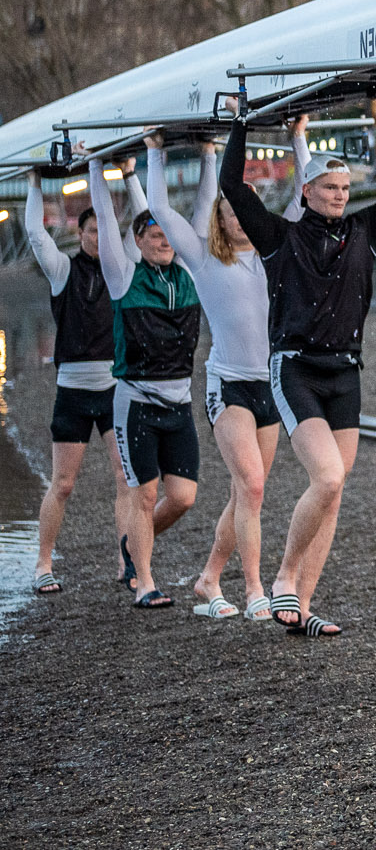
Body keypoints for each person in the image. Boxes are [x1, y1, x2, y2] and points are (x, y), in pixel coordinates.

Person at [220, 93, 376, 637]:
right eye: (328, 188)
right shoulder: (279, 237)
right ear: (307, 191)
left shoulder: (364, 230)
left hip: (345, 373)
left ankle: (303, 606)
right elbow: (234, 189)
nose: (338, 196)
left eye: (344, 189)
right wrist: (240, 122)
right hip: (295, 369)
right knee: (329, 477)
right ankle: (285, 580)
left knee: (333, 494)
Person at [141, 120, 310, 622]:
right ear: (219, 216)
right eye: (231, 211)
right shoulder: (202, 256)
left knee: (246, 491)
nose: (240, 219)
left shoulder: (276, 251)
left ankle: (208, 578)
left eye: (246, 211)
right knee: (253, 486)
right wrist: (155, 153)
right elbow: (162, 211)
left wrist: (298, 135)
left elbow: (304, 194)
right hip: (229, 385)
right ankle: (255, 588)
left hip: (271, 385)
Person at [88, 157, 204, 609]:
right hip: (136, 401)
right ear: (136, 241)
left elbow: (158, 213)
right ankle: (144, 581)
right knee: (144, 493)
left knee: (183, 498)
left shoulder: (188, 274)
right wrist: (99, 168)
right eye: (154, 235)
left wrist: (206, 155)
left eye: (167, 234)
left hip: (180, 404)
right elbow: (106, 214)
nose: (164, 241)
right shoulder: (123, 276)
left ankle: (133, 546)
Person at [22, 170, 130, 594]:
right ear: (81, 233)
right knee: (63, 483)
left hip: (114, 389)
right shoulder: (63, 270)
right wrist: (35, 182)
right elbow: (34, 232)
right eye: (92, 230)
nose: (99, 236)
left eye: (106, 229)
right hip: (72, 389)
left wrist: (133, 175)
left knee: (125, 476)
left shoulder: (123, 270)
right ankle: (43, 564)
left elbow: (146, 222)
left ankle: (128, 560)